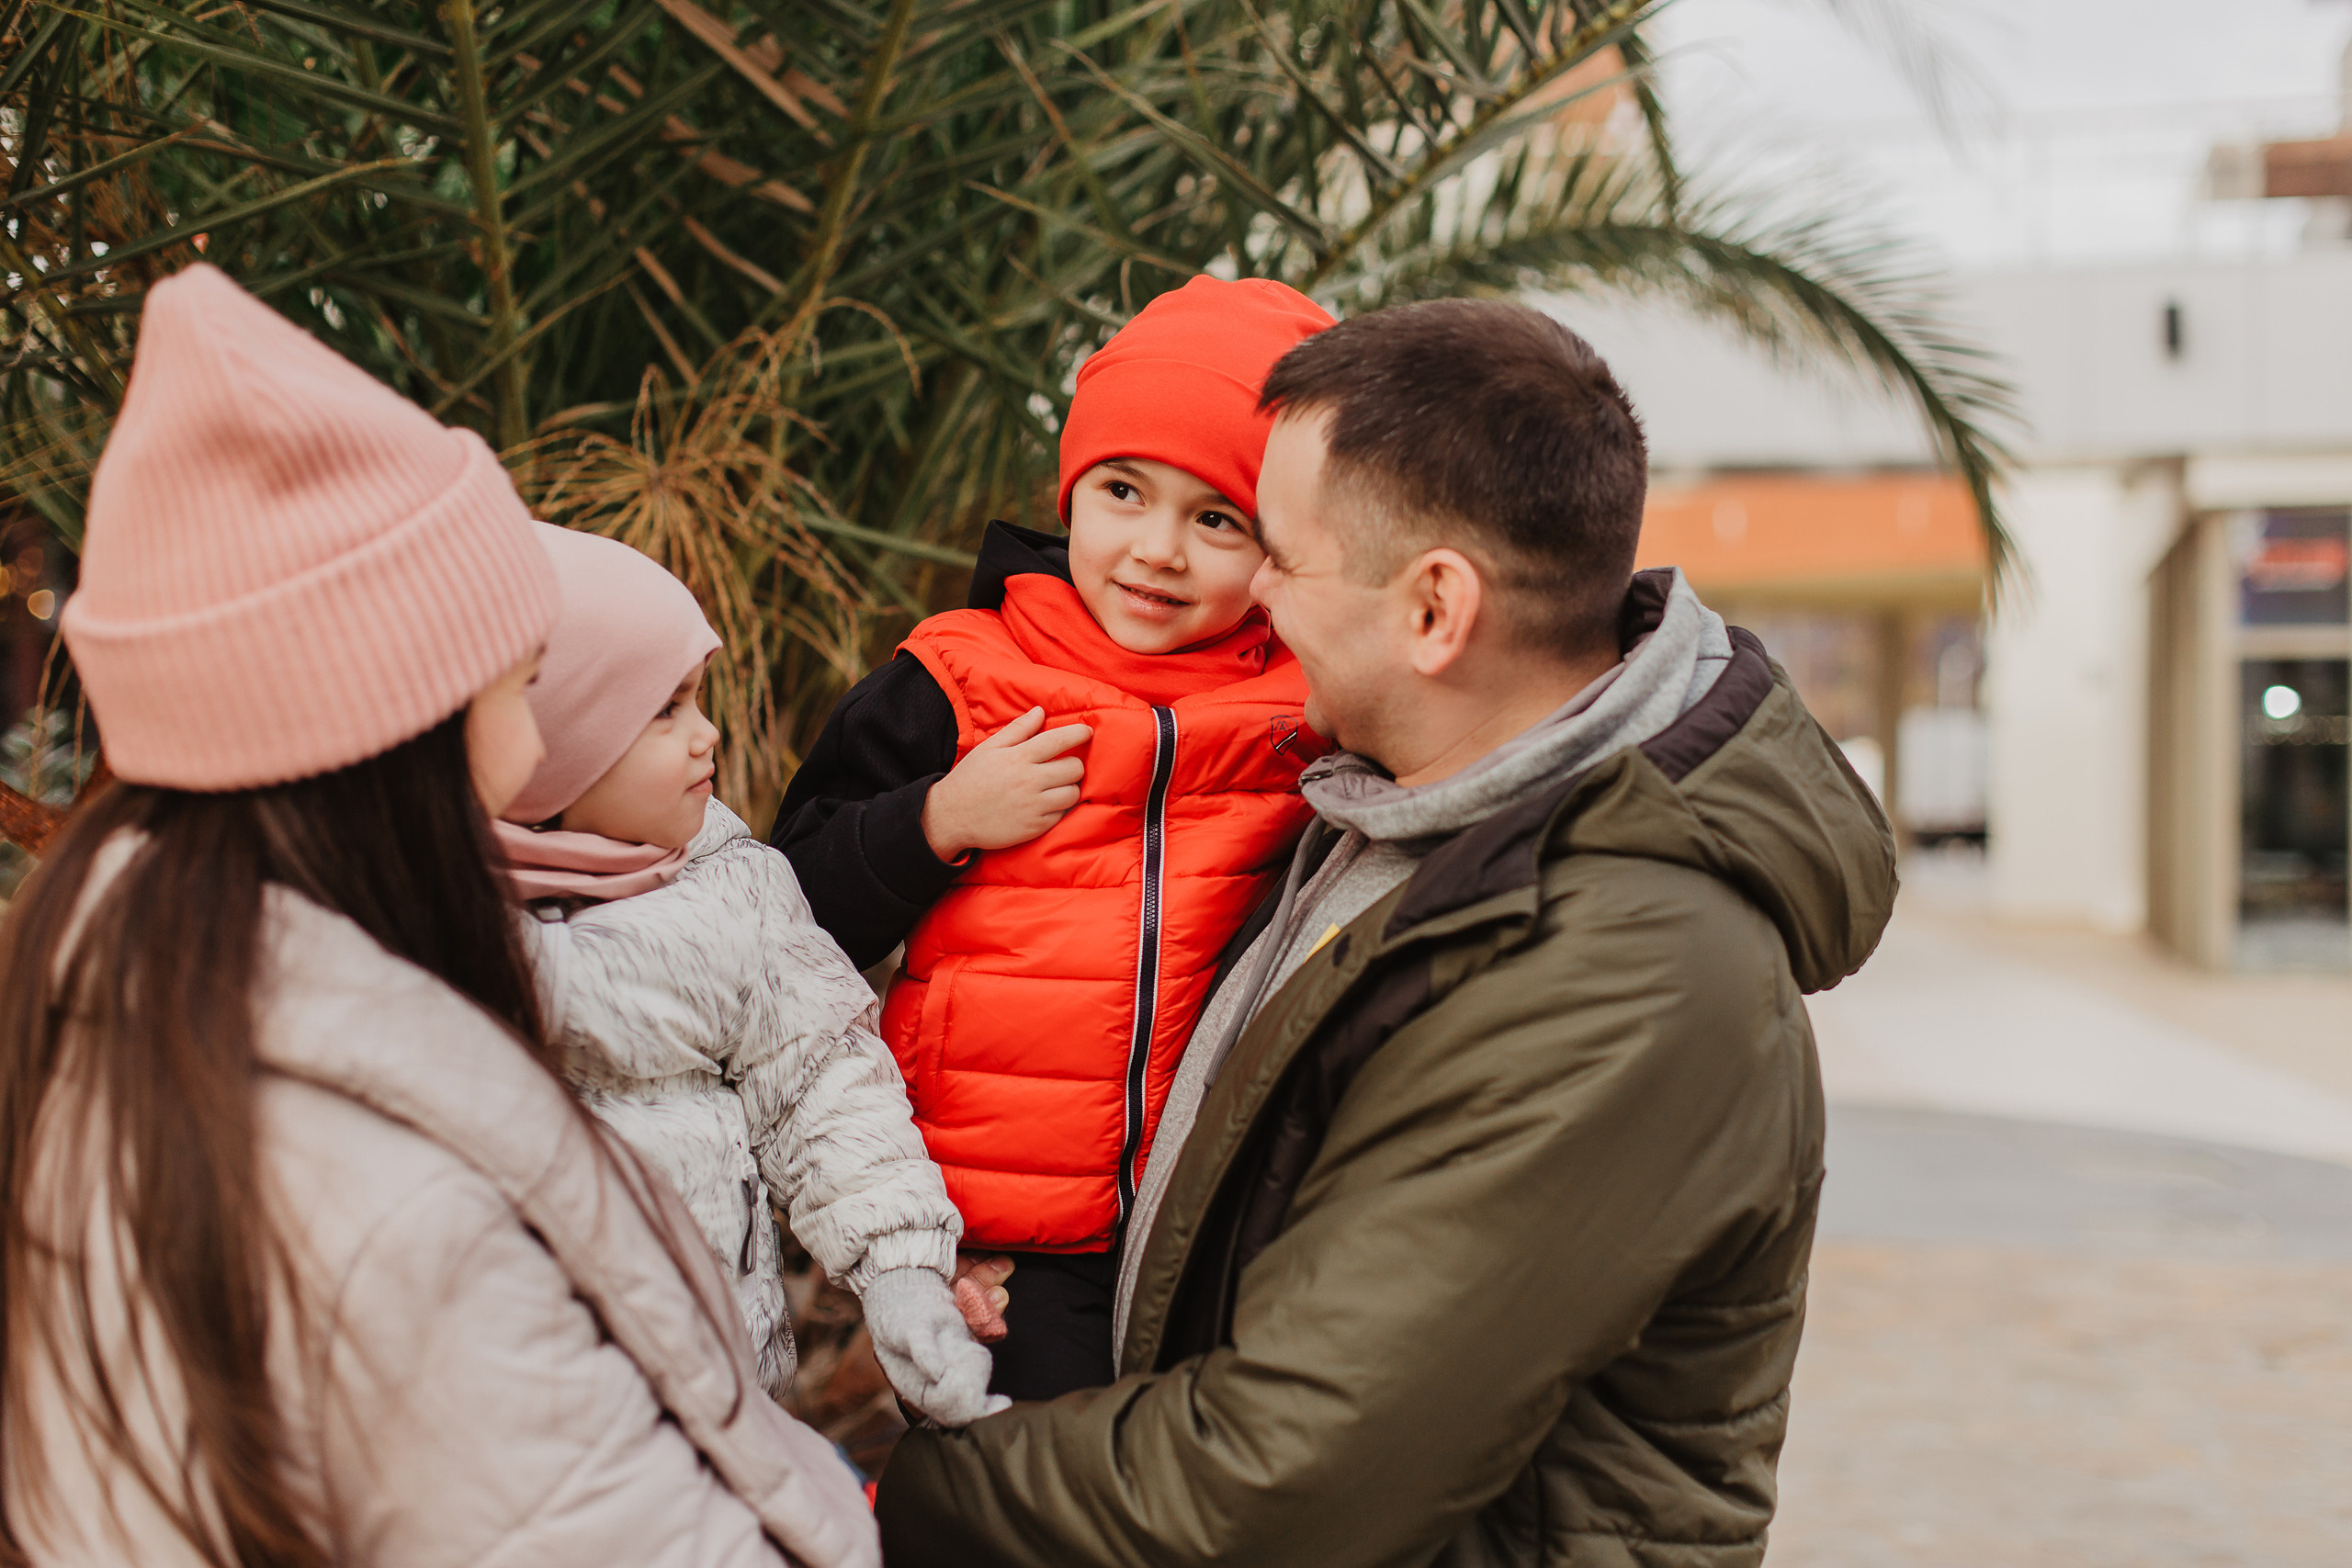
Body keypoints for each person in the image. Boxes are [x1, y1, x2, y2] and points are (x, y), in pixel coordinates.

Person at [873, 299, 1899, 1566]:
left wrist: (892, 1464)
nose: (1249, 590)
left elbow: (1279, 1484)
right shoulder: (1399, 812)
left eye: (1282, 554)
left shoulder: (1619, 973)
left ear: (1432, 611)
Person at [0, 265, 876, 1567]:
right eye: (516, 682)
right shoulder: (396, 1207)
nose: (531, 741)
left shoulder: (119, 1005)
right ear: (388, 726)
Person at [774, 276, 1335, 1401]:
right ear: (1071, 492)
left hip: (1216, 1221)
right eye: (1123, 491)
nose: (1158, 550)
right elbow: (779, 922)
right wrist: (936, 823)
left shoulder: (1308, 707)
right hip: (1006, 1234)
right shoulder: (956, 680)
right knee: (1034, 1489)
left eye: (1215, 518)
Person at [493, 522, 1004, 1425]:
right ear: (547, 743)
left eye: (700, 699)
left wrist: (901, 1274)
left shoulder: (733, 884)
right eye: (664, 711)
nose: (708, 735)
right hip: (502, 1410)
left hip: (720, 1404)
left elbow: (822, 1084)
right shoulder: (421, 922)